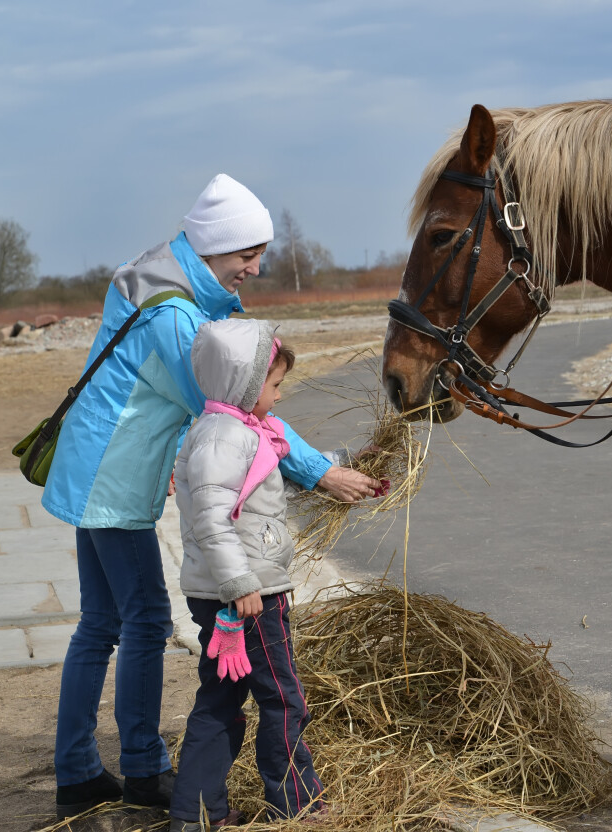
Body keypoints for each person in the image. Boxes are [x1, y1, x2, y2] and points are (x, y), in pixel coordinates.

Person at [42, 174, 382, 820]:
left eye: (259, 254)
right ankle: (141, 769)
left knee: (102, 622)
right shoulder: (175, 316)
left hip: (96, 464)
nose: (254, 268)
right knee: (141, 620)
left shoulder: (164, 286)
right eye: (245, 255)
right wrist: (321, 472)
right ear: (211, 248)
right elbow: (234, 414)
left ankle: (78, 767)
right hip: (113, 478)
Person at [168, 319, 352, 829]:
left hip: (232, 593)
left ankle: (196, 812)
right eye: (273, 386)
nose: (277, 397)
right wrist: (242, 584)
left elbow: (252, 502)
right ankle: (296, 801)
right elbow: (210, 516)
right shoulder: (226, 437)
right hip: (250, 597)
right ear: (243, 385)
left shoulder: (228, 431)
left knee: (221, 698)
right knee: (284, 697)